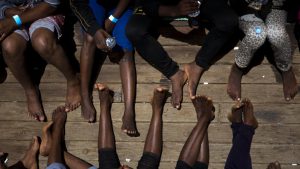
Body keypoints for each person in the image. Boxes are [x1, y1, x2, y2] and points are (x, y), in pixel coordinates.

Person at [125, 0, 238, 109]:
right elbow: (146, 4)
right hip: (155, 4)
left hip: (196, 2)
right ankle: (174, 74)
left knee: (229, 21)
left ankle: (197, 65)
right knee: (134, 31)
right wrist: (173, 10)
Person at [0, 0, 81, 122]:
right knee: (10, 46)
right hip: (14, 13)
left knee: (42, 42)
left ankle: (73, 80)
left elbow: (52, 4)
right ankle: (30, 90)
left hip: (44, 9)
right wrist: (7, 10)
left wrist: (15, 21)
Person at [70, 0, 139, 137]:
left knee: (126, 50)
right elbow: (76, 3)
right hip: (94, 3)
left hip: (122, 4)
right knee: (90, 39)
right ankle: (84, 95)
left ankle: (129, 110)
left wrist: (113, 19)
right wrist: (95, 30)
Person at [227, 0, 298, 101]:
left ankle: (286, 68)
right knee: (257, 34)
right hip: (247, 6)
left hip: (276, 5)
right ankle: (237, 68)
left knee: (276, 33)